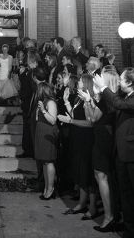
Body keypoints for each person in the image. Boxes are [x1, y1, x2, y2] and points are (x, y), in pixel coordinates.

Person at [94, 69, 134, 238]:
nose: (118, 82)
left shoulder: (131, 99)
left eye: (122, 80)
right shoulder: (124, 97)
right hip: (120, 151)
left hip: (130, 152)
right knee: (125, 193)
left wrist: (104, 88)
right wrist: (97, 98)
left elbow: (117, 104)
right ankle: (128, 228)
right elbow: (111, 109)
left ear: (130, 82)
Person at [79, 68, 118, 232]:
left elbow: (93, 119)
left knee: (101, 175)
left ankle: (109, 217)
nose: (96, 83)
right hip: (101, 137)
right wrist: (89, 102)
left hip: (104, 140)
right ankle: (110, 215)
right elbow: (90, 118)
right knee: (100, 175)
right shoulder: (106, 99)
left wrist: (89, 100)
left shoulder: (107, 101)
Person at [59, 74, 97, 220]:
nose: (78, 82)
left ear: (86, 83)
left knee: (87, 172)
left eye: (80, 80)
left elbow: (89, 123)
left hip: (86, 139)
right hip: (77, 137)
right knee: (80, 171)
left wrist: (71, 121)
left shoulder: (89, 100)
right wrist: (66, 101)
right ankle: (82, 203)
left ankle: (92, 207)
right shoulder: (79, 98)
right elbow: (74, 115)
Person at [33, 82, 58, 200]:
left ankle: (51, 189)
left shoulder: (51, 102)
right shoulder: (42, 102)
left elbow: (53, 120)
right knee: (44, 161)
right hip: (41, 132)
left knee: (48, 161)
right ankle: (46, 188)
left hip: (48, 133)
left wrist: (43, 110)